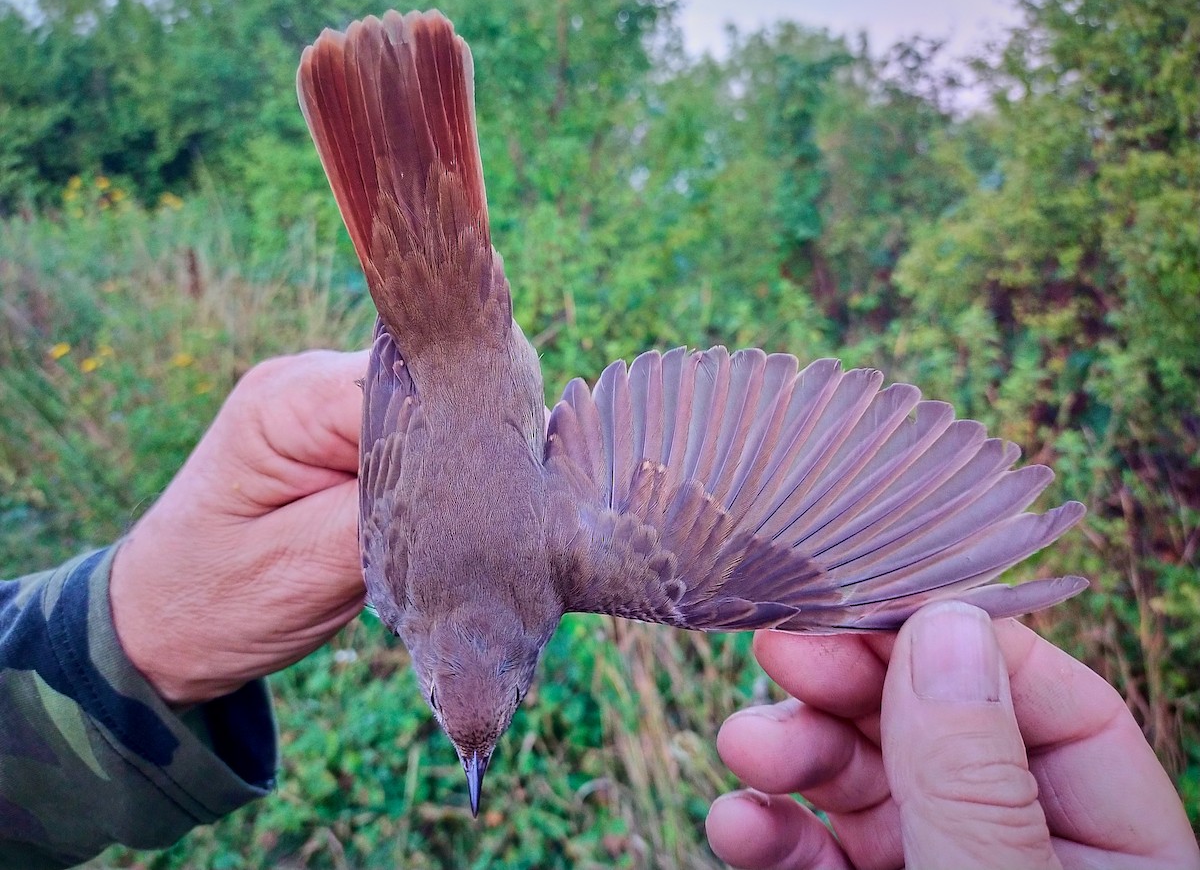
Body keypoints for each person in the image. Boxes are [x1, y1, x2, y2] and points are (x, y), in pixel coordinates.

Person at [1, 351, 1195, 869]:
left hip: (446, 371)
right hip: (432, 369)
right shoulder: (400, 582)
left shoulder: (412, 582)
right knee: (746, 592)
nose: (480, 725)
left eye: (483, 707)